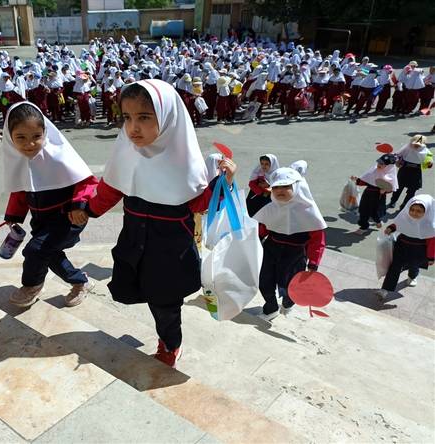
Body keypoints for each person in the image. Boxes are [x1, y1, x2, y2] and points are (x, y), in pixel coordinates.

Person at [71, 80, 237, 368]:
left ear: (168, 117)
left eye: (145, 117)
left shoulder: (184, 160)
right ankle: (167, 335)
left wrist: (225, 183)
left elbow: (199, 204)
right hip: (136, 242)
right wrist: (87, 209)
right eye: (127, 118)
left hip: (170, 251)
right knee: (145, 293)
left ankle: (171, 344)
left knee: (165, 304)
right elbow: (110, 190)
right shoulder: (128, 152)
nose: (133, 128)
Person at [2, 102, 98, 307]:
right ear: (10, 137)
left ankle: (31, 286)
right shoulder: (19, 161)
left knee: (35, 250)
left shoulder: (59, 156)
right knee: (50, 254)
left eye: (36, 136)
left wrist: (78, 205)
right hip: (42, 220)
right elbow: (19, 191)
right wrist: (12, 216)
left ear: (45, 132)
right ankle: (81, 281)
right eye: (21, 137)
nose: (30, 144)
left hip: (68, 217)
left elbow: (87, 181)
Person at [253, 167, 326, 321]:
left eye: (286, 186)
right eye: (276, 187)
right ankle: (271, 307)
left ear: (297, 187)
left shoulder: (308, 211)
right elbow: (261, 228)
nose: (280, 190)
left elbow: (317, 240)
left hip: (295, 254)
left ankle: (288, 303)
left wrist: (313, 263)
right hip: (271, 249)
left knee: (290, 285)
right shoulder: (271, 209)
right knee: (264, 280)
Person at [377, 194, 435, 301]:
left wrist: (431, 258)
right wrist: (391, 228)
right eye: (412, 210)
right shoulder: (406, 217)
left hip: (418, 250)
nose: (414, 213)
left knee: (414, 265)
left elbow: (432, 243)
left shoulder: (430, 226)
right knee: (394, 267)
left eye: (419, 211)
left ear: (426, 212)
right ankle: (385, 289)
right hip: (401, 246)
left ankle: (412, 276)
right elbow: (398, 224)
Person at [351, 154, 398, 234]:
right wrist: (357, 180)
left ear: (388, 166)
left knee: (374, 211)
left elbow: (391, 188)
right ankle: (363, 226)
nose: (379, 164)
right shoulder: (374, 171)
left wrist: (385, 191)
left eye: (382, 164)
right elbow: (365, 181)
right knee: (363, 209)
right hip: (367, 193)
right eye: (379, 162)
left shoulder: (390, 176)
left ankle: (377, 221)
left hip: (378, 196)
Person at [389, 135, 433, 210]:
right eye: (415, 144)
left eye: (419, 144)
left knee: (412, 190)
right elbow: (397, 155)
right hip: (404, 170)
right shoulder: (407, 147)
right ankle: (393, 201)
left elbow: (429, 162)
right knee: (398, 187)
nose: (416, 145)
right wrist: (395, 159)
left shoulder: (426, 151)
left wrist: (429, 163)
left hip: (416, 172)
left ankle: (405, 204)